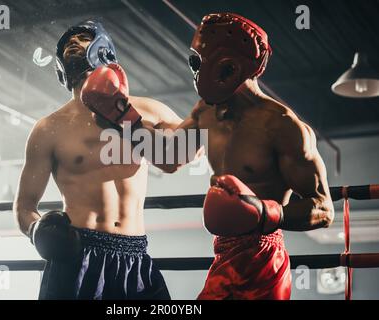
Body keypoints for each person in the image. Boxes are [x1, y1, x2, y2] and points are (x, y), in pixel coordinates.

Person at [82, 13, 335, 300]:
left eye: (197, 62)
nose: (194, 70)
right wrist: (123, 118)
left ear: (227, 68)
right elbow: (169, 157)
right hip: (224, 253)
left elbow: (323, 209)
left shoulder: (282, 125)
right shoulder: (206, 112)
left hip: (264, 257)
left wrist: (264, 214)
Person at [13, 20, 183, 300]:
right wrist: (36, 230)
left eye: (82, 38)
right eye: (68, 42)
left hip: (135, 257)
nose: (74, 44)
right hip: (78, 254)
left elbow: (190, 150)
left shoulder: (148, 110)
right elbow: (24, 206)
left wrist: (130, 123)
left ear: (104, 51)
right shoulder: (48, 128)